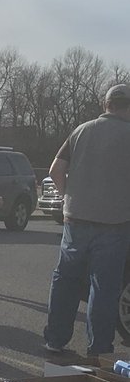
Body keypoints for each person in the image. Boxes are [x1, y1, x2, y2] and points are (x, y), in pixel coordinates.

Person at [44, 84, 130, 362]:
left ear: (106, 104)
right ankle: (99, 349)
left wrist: (68, 195)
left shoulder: (81, 130)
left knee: (65, 279)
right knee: (104, 286)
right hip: (114, 222)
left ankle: (55, 340)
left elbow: (56, 169)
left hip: (75, 219)